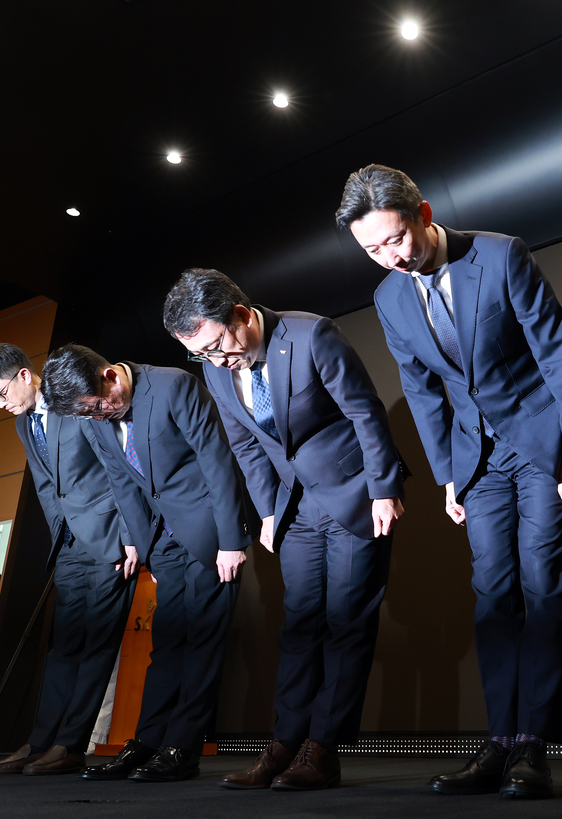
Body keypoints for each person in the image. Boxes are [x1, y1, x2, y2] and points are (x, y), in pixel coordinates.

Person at [337, 165, 562, 800]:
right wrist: (447, 478)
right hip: (474, 460)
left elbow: (556, 350)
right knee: (493, 595)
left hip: (541, 443)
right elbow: (422, 391)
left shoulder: (500, 253)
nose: (389, 258)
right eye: (371, 250)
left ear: (423, 213)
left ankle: (533, 746)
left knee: (542, 583)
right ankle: (500, 742)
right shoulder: (389, 297)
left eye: (394, 239)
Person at [162, 268, 408, 791]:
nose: (215, 360)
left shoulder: (311, 334)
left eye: (216, 346)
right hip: (294, 508)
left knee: (346, 624)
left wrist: (385, 488)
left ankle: (323, 750)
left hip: (353, 492)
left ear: (242, 316)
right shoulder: (216, 369)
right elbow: (246, 445)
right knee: (299, 629)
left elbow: (365, 412)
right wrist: (269, 512)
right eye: (199, 354)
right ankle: (284, 744)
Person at [42, 344, 250, 783]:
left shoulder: (173, 385)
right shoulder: (97, 418)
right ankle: (147, 741)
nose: (97, 417)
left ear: (110, 377)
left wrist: (232, 541)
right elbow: (122, 483)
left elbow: (218, 462)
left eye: (96, 407)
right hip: (163, 542)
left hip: (210, 534)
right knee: (167, 645)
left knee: (202, 643)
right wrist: (148, 550)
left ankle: (182, 748)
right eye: (87, 415)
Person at [0, 344, 145, 776]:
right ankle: (40, 741)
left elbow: (119, 466)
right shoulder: (25, 424)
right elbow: (48, 488)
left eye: (0, 393)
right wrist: (60, 538)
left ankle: (70, 745)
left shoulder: (75, 399)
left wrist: (131, 535)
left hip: (109, 539)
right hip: (68, 546)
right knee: (64, 648)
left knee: (96, 646)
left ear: (26, 376)